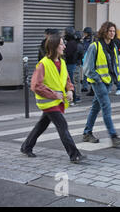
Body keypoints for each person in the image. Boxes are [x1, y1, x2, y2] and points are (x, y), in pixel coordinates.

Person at [21, 34, 85, 163]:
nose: (64, 46)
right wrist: (54, 95)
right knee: (62, 125)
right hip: (49, 102)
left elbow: (66, 79)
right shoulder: (43, 64)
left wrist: (70, 90)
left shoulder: (61, 61)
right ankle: (74, 154)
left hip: (57, 102)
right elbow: (35, 86)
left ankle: (26, 147)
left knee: (42, 125)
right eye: (61, 44)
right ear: (54, 46)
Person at [82, 21, 120, 147]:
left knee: (96, 107)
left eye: (113, 31)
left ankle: (87, 133)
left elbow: (114, 65)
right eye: (109, 31)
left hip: (108, 82)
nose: (112, 33)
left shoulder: (113, 46)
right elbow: (87, 67)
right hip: (98, 82)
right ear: (104, 31)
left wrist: (115, 80)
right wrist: (98, 79)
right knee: (106, 107)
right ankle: (113, 136)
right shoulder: (94, 46)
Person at [64, 27, 81, 106]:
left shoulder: (71, 43)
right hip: (71, 64)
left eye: (65, 33)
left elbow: (68, 54)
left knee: (70, 82)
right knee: (71, 81)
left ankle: (73, 99)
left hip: (70, 64)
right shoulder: (72, 42)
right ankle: (72, 99)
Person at [82, 27, 94, 94]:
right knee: (85, 73)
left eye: (85, 33)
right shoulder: (84, 39)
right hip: (85, 57)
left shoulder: (92, 40)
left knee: (91, 73)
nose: (84, 34)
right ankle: (85, 87)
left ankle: (91, 88)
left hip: (90, 58)